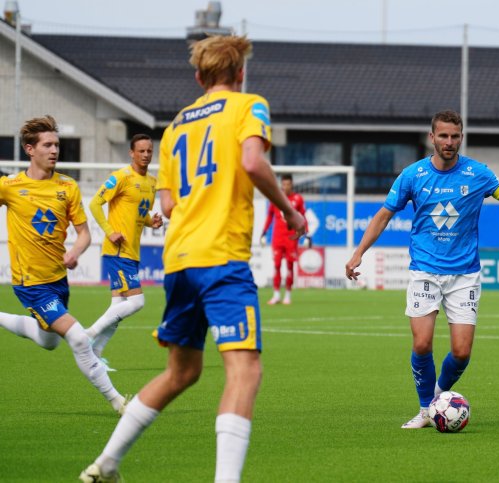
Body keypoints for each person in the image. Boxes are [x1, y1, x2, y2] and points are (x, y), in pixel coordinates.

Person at [79, 35, 306, 483]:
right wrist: (287, 208)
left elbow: (165, 203)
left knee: (182, 371)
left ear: (199, 77)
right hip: (221, 257)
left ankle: (107, 462)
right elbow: (253, 163)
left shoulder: (177, 125)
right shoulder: (249, 106)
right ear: (240, 73)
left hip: (179, 258)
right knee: (245, 370)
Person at [345, 110, 499, 429]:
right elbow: (383, 216)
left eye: (455, 136)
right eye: (443, 136)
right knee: (422, 344)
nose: (449, 142)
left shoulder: (478, 174)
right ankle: (427, 409)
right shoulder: (413, 175)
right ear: (432, 138)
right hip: (425, 269)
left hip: (464, 274)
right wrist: (359, 252)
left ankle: (438, 397)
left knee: (462, 351)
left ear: (461, 137)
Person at [0, 115, 128, 415]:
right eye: (47, 145)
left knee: (48, 341)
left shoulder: (67, 187)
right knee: (78, 338)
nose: (54, 150)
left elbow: (84, 233)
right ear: (30, 149)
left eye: (57, 144)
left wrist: (75, 252)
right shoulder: (11, 187)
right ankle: (119, 402)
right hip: (30, 283)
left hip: (57, 279)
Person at [86, 134, 163, 368]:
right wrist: (109, 231)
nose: (146, 155)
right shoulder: (120, 177)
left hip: (132, 251)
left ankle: (96, 354)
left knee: (117, 306)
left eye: (149, 151)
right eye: (141, 151)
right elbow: (94, 204)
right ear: (131, 153)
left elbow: (139, 214)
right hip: (117, 250)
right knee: (137, 302)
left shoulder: (152, 182)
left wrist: (151, 222)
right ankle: (88, 335)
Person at [260, 173, 308, 305]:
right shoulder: (275, 198)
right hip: (277, 237)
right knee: (276, 265)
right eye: (284, 184)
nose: (286, 187)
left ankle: (287, 294)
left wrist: (306, 234)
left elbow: (303, 217)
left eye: (288, 184)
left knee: (289, 266)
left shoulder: (298, 199)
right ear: (281, 185)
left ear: (292, 184)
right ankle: (276, 295)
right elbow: (270, 216)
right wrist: (263, 233)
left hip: (291, 238)